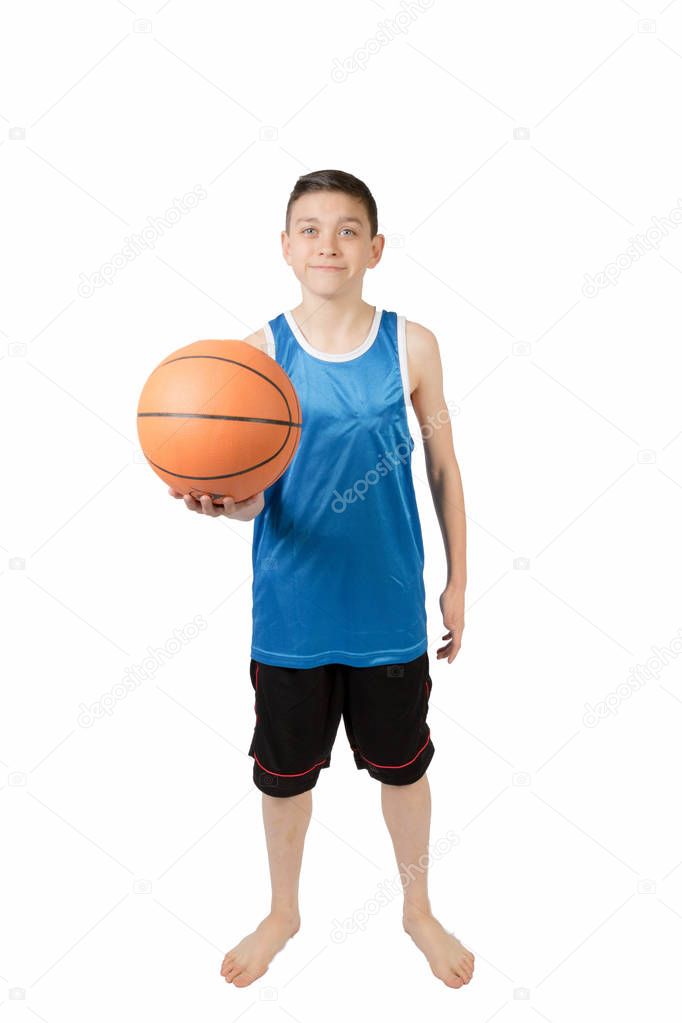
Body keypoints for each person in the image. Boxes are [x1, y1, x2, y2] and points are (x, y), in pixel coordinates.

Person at [169, 169, 472, 990]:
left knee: (404, 768)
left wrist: (458, 582)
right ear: (285, 248)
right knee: (284, 775)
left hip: (388, 614)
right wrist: (220, 504)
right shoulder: (261, 352)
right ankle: (284, 910)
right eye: (309, 228)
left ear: (374, 248)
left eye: (346, 229)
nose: (327, 243)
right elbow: (252, 494)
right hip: (293, 614)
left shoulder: (413, 344)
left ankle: (418, 908)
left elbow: (443, 465)